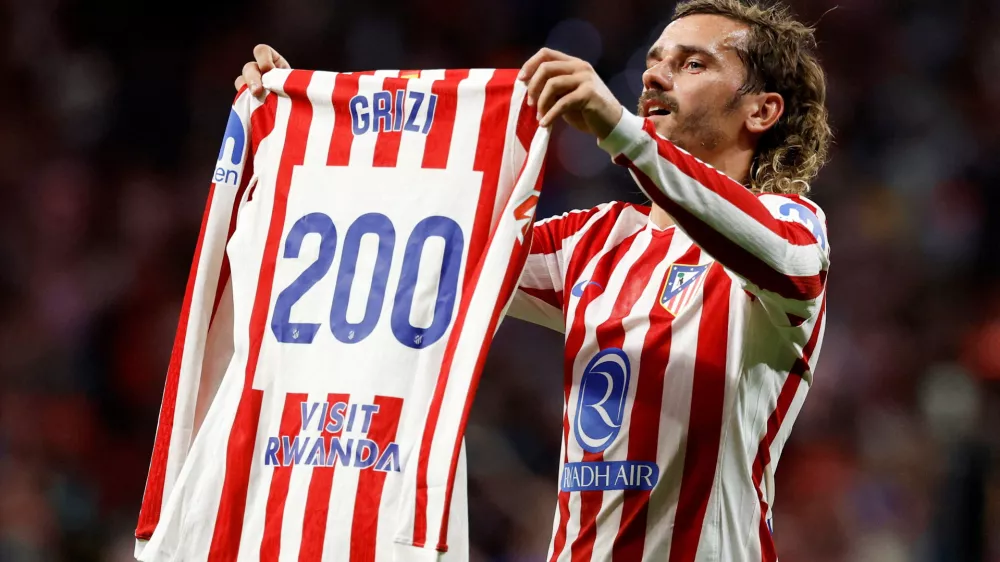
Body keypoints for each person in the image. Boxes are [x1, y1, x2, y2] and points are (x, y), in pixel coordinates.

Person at [236, 0, 832, 559]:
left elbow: (786, 259)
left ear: (762, 111)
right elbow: (416, 242)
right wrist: (304, 134)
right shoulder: (593, 242)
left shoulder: (791, 230)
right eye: (655, 61)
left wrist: (618, 129)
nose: (654, 76)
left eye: (693, 64)